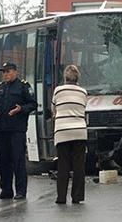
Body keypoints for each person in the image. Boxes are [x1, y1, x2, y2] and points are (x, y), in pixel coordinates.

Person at [0, 62, 37, 200]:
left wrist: (21, 109)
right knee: (4, 161)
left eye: (8, 71)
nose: (5, 74)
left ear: (15, 72)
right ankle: (6, 190)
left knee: (18, 160)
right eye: (3, 72)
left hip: (17, 129)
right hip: (2, 129)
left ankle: (21, 191)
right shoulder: (0, 88)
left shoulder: (23, 86)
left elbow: (33, 104)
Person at [52, 65, 88, 204]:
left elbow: (53, 109)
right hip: (79, 130)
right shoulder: (83, 92)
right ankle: (77, 197)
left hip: (62, 132)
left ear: (65, 78)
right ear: (77, 78)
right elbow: (84, 108)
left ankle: (61, 198)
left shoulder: (58, 90)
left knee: (63, 165)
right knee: (79, 165)